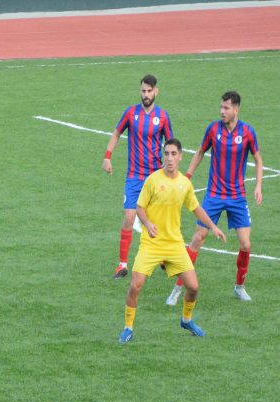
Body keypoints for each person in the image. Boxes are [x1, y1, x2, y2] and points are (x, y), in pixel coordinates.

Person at [118, 139, 226, 344]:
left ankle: (186, 320)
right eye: (166, 153)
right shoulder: (152, 180)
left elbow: (196, 208)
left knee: (193, 287)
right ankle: (128, 327)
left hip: (174, 244)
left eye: (173, 154)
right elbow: (140, 207)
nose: (169, 158)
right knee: (135, 285)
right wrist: (147, 223)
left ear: (180, 157)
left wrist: (213, 227)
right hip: (151, 244)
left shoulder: (185, 184)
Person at [166, 91, 264, 305]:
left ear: (236, 109)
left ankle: (239, 287)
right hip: (214, 195)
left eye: (226, 108)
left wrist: (258, 185)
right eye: (221, 107)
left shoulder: (247, 132)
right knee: (197, 238)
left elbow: (258, 159)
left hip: (237, 197)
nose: (222, 111)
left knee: (245, 244)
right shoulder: (213, 129)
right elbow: (200, 152)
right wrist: (187, 177)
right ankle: (178, 287)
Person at [103, 74, 173, 279]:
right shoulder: (130, 113)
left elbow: (170, 143)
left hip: (155, 177)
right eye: (143, 91)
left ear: (156, 91)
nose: (146, 95)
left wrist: (169, 164)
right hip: (134, 176)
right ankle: (122, 264)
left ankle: (161, 256)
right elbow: (116, 133)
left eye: (149, 91)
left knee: (157, 218)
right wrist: (107, 156)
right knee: (129, 217)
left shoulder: (163, 116)